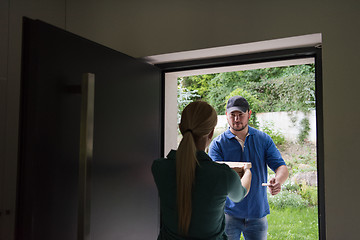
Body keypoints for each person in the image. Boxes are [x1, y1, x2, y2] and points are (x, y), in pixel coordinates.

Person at [152, 101, 252, 240]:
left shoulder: (159, 168)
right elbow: (240, 194)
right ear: (211, 132)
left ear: (181, 128)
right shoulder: (223, 175)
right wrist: (247, 172)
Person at [208, 96, 289, 240]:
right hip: (228, 214)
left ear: (249, 114)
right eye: (233, 115)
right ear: (226, 115)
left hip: (257, 214)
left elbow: (281, 167)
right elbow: (215, 179)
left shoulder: (263, 139)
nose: (236, 119)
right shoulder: (217, 144)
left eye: (241, 115)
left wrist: (278, 181)